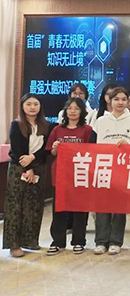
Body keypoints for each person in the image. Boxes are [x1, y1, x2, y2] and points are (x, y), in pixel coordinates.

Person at [92, 87, 130, 255]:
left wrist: (129, 144)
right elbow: (91, 145)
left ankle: (115, 241)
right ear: (110, 101)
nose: (120, 102)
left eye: (123, 99)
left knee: (119, 208)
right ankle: (101, 241)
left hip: (123, 170)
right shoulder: (100, 121)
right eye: (116, 99)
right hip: (103, 169)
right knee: (102, 207)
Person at [3, 94, 52, 258]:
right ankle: (14, 244)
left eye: (35, 104)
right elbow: (17, 149)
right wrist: (28, 167)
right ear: (23, 106)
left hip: (39, 167)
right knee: (15, 205)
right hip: (19, 168)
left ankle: (30, 240)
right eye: (29, 104)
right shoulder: (16, 125)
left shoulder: (47, 126)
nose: (32, 107)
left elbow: (47, 148)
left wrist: (33, 158)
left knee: (34, 204)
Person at [46, 98, 95, 256]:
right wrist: (55, 148)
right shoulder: (57, 130)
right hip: (61, 174)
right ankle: (57, 242)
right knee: (59, 208)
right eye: (69, 108)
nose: (72, 111)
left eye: (76, 108)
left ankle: (79, 241)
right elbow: (52, 152)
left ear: (82, 112)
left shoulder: (87, 130)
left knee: (80, 209)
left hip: (80, 174)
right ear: (65, 111)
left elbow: (92, 152)